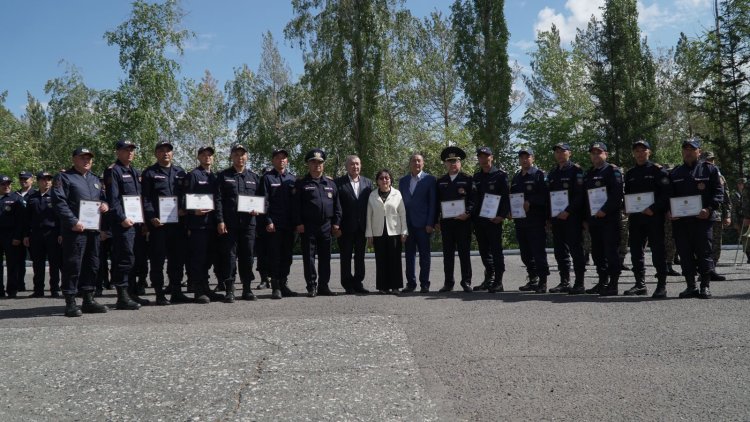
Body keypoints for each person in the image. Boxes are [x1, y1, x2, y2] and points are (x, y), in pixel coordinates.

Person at [51, 147, 111, 317]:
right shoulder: (64, 177)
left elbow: (102, 198)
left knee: (92, 263)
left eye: (89, 158)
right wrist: (73, 221)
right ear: (74, 159)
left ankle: (88, 299)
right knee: (73, 264)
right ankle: (70, 301)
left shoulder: (94, 179)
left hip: (93, 229)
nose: (86, 161)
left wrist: (105, 204)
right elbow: (59, 202)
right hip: (75, 230)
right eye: (82, 158)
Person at [669, 138, 723, 299]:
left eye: (692, 149)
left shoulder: (710, 170)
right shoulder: (676, 172)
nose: (688, 152)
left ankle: (704, 286)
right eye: (685, 149)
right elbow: (669, 195)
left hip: (703, 220)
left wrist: (709, 208)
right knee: (685, 254)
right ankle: (690, 286)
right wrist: (670, 211)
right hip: (682, 222)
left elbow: (718, 193)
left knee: (704, 252)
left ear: (699, 151)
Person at [141, 140, 189, 305]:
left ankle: (176, 291)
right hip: (158, 225)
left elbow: (185, 195)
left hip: (177, 224)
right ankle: (159, 293)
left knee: (177, 259)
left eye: (168, 150)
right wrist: (151, 216)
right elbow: (145, 199)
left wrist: (184, 208)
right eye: (161, 150)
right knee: (157, 260)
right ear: (156, 154)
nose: (165, 153)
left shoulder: (180, 172)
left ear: (172, 153)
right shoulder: (149, 173)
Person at [623, 140, 671, 298]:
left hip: (653, 217)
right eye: (636, 151)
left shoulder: (657, 170)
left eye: (643, 150)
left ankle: (661, 285)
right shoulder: (630, 174)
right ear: (633, 153)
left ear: (649, 152)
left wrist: (654, 208)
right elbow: (628, 196)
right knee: (636, 252)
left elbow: (666, 194)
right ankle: (640, 284)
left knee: (658, 251)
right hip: (636, 219)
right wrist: (626, 207)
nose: (639, 153)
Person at [293, 148, 342, 297]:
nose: (317, 165)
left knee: (325, 257)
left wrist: (336, 222)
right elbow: (296, 206)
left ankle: (324, 286)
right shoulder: (301, 183)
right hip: (308, 226)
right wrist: (299, 223)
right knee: (309, 258)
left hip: (326, 225)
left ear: (323, 164)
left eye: (320, 162)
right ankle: (311, 286)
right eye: (313, 162)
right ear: (308, 164)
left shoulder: (331, 184)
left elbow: (337, 206)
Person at [103, 139, 146, 309]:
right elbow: (113, 199)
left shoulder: (134, 172)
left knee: (136, 259)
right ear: (118, 152)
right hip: (123, 224)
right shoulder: (113, 171)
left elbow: (138, 199)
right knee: (124, 259)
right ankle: (122, 297)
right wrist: (121, 218)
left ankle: (132, 293)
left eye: (131, 150)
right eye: (126, 150)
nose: (130, 152)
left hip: (136, 222)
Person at [215, 143, 261, 302]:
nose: (239, 157)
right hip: (230, 224)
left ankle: (247, 289)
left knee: (247, 256)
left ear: (246, 157)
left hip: (249, 224)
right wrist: (220, 220)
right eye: (236, 154)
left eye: (242, 154)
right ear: (231, 156)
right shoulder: (223, 176)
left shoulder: (254, 177)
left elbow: (262, 200)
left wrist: (259, 210)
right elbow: (218, 200)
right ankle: (229, 290)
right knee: (229, 256)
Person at [183, 146, 224, 304]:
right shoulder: (193, 175)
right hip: (198, 225)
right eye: (204, 155)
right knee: (198, 259)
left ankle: (206, 288)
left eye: (210, 155)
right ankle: (198, 290)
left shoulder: (215, 176)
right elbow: (185, 199)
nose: (207, 157)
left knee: (209, 259)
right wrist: (194, 211)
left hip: (212, 224)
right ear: (199, 157)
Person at [545, 142, 587, 294]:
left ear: (569, 153)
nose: (559, 154)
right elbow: (548, 197)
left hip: (572, 218)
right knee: (560, 251)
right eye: (557, 151)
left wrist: (568, 211)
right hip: (557, 219)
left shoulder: (576, 171)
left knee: (576, 250)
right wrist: (549, 218)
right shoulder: (553, 173)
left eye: (563, 151)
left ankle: (580, 283)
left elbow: (579, 195)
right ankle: (564, 281)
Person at [583, 142, 623, 296]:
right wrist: (585, 218)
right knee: (597, 253)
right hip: (594, 220)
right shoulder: (589, 174)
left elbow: (616, 195)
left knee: (611, 252)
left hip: (609, 219)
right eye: (593, 153)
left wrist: (604, 210)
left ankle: (613, 284)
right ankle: (602, 282)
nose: (595, 155)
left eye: (599, 152)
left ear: (605, 154)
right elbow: (585, 199)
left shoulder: (612, 171)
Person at [257, 148, 298, 299]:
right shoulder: (267, 178)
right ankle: (275, 286)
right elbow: (263, 201)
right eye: (278, 157)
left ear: (287, 161)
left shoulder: (292, 179)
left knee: (287, 256)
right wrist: (267, 220)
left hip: (289, 225)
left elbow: (296, 203)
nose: (281, 160)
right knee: (274, 256)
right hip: (274, 224)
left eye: (284, 158)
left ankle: (283, 283)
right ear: (273, 160)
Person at [435, 146, 474, 293]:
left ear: (460, 163)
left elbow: (473, 200)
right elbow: (436, 203)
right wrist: (436, 220)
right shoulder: (440, 181)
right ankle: (448, 283)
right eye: (450, 161)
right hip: (447, 223)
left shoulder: (467, 179)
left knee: (464, 253)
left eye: (455, 161)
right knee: (448, 255)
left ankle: (466, 282)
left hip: (463, 222)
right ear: (445, 163)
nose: (453, 164)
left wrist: (468, 213)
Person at [472, 146, 510, 293]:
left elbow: (506, 198)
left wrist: (501, 215)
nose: (483, 159)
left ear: (491, 157)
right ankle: (489, 279)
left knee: (496, 251)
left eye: (486, 156)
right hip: (480, 221)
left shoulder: (500, 176)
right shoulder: (476, 177)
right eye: (480, 156)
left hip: (494, 220)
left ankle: (498, 281)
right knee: (483, 251)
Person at [510, 147, 549, 293]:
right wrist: (510, 210)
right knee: (525, 254)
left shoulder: (539, 175)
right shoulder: (516, 177)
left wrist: (531, 201)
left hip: (536, 221)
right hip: (520, 221)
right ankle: (533, 279)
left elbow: (545, 196)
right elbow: (512, 197)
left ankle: (543, 281)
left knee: (538, 252)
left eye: (527, 157)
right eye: (522, 157)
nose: (524, 160)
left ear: (533, 158)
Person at [398, 153, 437, 294]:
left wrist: (430, 223)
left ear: (423, 163)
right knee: (409, 256)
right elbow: (400, 205)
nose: (416, 163)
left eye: (419, 161)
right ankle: (411, 283)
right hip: (408, 225)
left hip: (423, 225)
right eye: (414, 161)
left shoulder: (430, 180)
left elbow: (433, 204)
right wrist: (402, 226)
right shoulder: (403, 181)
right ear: (410, 163)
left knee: (425, 256)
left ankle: (425, 284)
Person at [335, 155, 373, 294]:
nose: (355, 167)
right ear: (347, 166)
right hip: (345, 228)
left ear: (360, 165)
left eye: (357, 164)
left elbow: (370, 206)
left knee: (360, 256)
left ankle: (358, 282)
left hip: (362, 227)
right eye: (352, 164)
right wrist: (336, 225)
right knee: (345, 257)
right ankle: (347, 284)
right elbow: (336, 206)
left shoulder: (368, 183)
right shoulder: (338, 183)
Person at [366, 169, 408, 294]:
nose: (385, 180)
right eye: (382, 178)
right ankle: (383, 286)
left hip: (394, 231)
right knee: (381, 259)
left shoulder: (397, 194)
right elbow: (368, 216)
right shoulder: (372, 195)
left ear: (390, 180)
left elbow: (402, 213)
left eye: (387, 178)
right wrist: (369, 234)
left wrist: (404, 231)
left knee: (395, 259)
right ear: (377, 181)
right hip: (378, 231)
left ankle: (395, 286)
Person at [23, 171, 62, 298]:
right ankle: (38, 289)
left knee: (54, 262)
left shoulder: (56, 196)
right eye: (44, 179)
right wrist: (26, 235)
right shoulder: (32, 197)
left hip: (52, 233)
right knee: (37, 263)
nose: (47, 182)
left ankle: (54, 288)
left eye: (49, 179)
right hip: (36, 234)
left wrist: (61, 233)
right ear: (38, 181)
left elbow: (61, 216)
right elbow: (27, 218)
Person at [701, 151, 730, 281]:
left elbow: (725, 197)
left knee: (716, 244)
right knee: (703, 244)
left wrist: (727, 215)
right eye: (707, 159)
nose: (710, 162)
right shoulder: (699, 174)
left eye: (712, 159)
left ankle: (712, 269)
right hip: (703, 215)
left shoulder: (720, 176)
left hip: (717, 215)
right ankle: (703, 270)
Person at [0, 175, 25, 299]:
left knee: (13, 264)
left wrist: (17, 237)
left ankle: (12, 290)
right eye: (3, 184)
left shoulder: (15, 199)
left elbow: (21, 221)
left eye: (8, 184)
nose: (6, 186)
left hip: (10, 235)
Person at [14, 171, 36, 292]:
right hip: (18, 232)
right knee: (19, 261)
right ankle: (20, 284)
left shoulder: (36, 194)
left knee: (37, 260)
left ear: (32, 180)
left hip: (33, 232)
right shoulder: (15, 195)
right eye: (21, 179)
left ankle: (39, 287)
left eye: (26, 179)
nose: (23, 181)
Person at [732, 177, 750, 263]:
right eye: (740, 184)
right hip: (741, 219)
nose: (741, 185)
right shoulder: (736, 195)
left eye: (743, 183)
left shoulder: (747, 193)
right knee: (744, 238)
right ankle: (748, 255)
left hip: (747, 217)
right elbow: (734, 210)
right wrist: (735, 222)